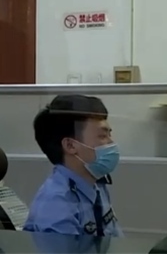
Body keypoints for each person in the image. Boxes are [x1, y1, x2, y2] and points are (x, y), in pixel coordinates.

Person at [24, 94, 123, 237]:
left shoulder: (97, 185)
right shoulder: (56, 204)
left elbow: (114, 240)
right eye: (102, 136)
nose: (111, 143)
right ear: (70, 146)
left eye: (109, 135)